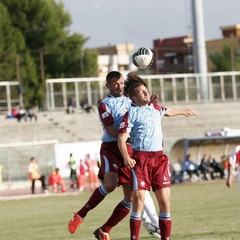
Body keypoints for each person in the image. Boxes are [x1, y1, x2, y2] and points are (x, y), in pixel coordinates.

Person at [68, 71, 161, 239]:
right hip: (111, 147)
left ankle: (105, 230)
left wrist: (150, 104)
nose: (119, 86)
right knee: (110, 184)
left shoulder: (130, 99)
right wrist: (131, 134)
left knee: (131, 197)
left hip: (128, 149)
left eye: (121, 82)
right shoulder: (104, 104)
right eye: (115, 84)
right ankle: (81, 214)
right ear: (108, 86)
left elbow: (143, 113)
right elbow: (111, 130)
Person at [117, 76, 197, 240]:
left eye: (146, 90)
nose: (146, 92)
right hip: (140, 160)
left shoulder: (155, 108)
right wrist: (126, 157)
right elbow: (121, 138)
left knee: (165, 203)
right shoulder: (130, 113)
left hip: (159, 159)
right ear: (133, 97)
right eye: (142, 91)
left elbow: (168, 111)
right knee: (138, 203)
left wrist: (184, 112)